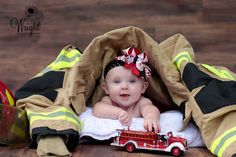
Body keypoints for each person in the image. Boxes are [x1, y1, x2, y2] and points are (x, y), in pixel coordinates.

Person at [92, 46, 161, 133]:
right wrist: (118, 113)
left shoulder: (141, 102)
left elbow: (150, 109)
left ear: (143, 87)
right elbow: (97, 109)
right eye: (117, 82)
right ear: (106, 88)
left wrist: (151, 117)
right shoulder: (109, 101)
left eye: (132, 81)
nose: (124, 86)